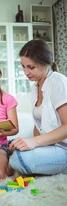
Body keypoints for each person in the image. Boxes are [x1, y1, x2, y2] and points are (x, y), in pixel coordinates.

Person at [8, 39, 67, 175]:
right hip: (51, 147)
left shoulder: (58, 82)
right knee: (14, 148)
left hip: (64, 149)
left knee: (18, 159)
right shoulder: (36, 87)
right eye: (23, 66)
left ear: (45, 64)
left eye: (31, 67)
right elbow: (38, 126)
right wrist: (29, 145)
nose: (26, 72)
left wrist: (33, 142)